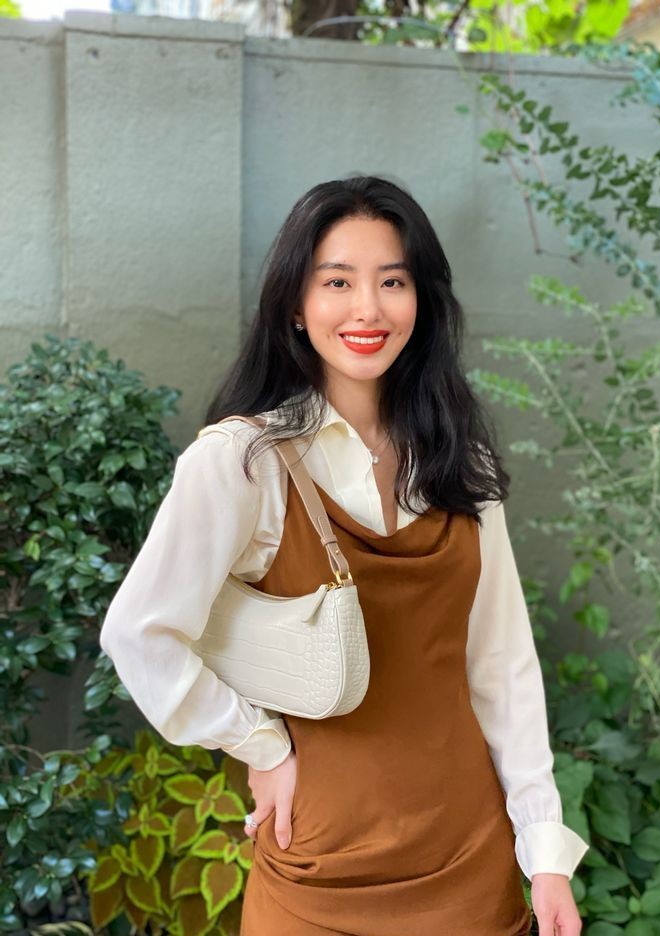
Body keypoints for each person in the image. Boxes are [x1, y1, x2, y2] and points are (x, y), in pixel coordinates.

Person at [100, 175, 589, 935]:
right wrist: (260, 745)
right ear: (295, 305)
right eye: (337, 282)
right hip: (317, 869)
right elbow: (139, 634)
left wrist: (544, 849)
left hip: (469, 862)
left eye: (392, 281)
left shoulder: (460, 463)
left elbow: (501, 666)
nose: (368, 309)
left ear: (422, 300)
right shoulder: (244, 461)